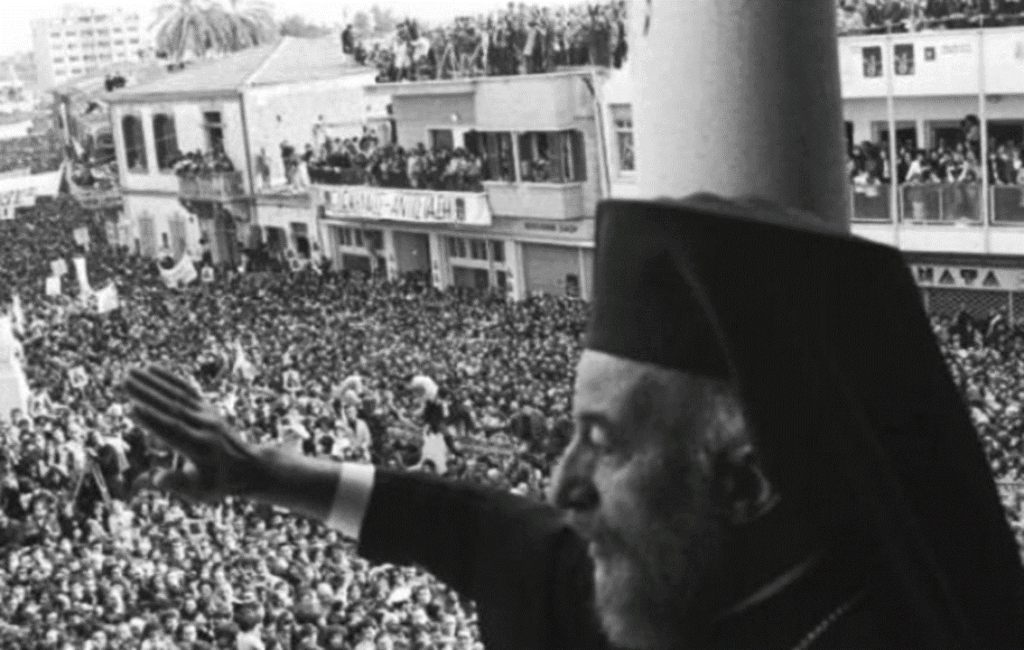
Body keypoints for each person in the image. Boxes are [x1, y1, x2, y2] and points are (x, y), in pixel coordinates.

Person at [125, 195, 1024, 650]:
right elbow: (475, 527)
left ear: (747, 479)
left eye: (605, 441)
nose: (560, 483)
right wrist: (267, 472)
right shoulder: (661, 582)